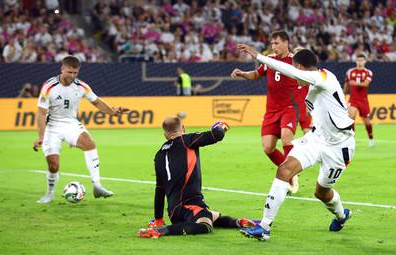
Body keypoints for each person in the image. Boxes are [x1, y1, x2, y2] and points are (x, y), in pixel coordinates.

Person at [237, 44, 355, 241]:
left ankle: (342, 215)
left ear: (300, 68)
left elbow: (288, 70)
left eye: (295, 69)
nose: (292, 77)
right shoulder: (312, 85)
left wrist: (258, 56)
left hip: (339, 147)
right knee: (284, 170)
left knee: (322, 192)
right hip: (317, 139)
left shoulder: (322, 78)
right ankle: (264, 227)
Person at [138, 117, 255, 238]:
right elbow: (217, 135)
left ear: (165, 135)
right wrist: (222, 125)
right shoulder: (187, 140)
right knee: (205, 225)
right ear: (183, 128)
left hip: (174, 212)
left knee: (211, 215)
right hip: (190, 204)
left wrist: (158, 219)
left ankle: (239, 222)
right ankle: (161, 231)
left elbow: (159, 190)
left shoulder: (159, 155)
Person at [33, 55, 129, 203]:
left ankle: (97, 186)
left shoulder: (82, 86)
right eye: (69, 72)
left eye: (75, 73)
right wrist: (41, 136)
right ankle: (49, 193)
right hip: (52, 126)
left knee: (89, 143)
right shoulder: (49, 87)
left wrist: (113, 112)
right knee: (53, 165)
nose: (72, 76)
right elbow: (41, 112)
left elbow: (97, 102)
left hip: (71, 123)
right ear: (62, 69)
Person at [231, 30, 300, 193]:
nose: (273, 46)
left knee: (286, 139)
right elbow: (256, 74)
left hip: (290, 108)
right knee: (268, 148)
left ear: (286, 43)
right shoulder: (269, 60)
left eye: (276, 43)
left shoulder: (294, 61)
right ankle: (292, 172)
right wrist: (242, 74)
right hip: (271, 111)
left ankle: (290, 174)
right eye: (272, 43)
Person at [343, 54, 374, 147]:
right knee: (351, 118)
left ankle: (371, 139)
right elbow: (347, 84)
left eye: (361, 60)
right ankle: (352, 140)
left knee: (367, 122)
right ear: (356, 61)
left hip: (363, 100)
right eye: (358, 60)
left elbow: (366, 84)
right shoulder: (350, 72)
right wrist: (343, 94)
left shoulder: (368, 72)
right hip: (353, 99)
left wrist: (355, 83)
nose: (359, 62)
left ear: (365, 61)